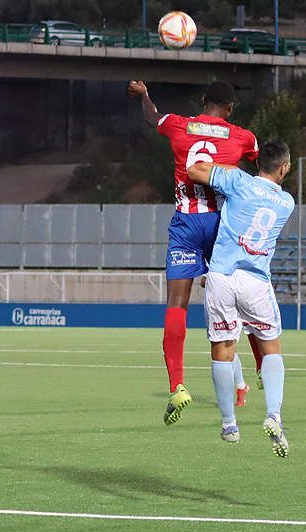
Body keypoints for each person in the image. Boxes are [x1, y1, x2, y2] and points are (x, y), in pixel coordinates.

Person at [128, 79, 261, 423]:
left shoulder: (178, 124)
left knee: (177, 307)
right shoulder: (242, 136)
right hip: (222, 226)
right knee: (240, 300)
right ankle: (263, 366)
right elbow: (259, 162)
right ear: (230, 108)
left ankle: (178, 386)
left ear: (203, 101)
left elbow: (151, 116)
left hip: (187, 225)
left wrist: (144, 95)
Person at [186, 141, 295, 458]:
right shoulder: (287, 203)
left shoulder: (238, 181)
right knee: (271, 346)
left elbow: (195, 171)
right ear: (284, 167)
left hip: (221, 277)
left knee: (222, 349)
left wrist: (226, 166)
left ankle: (229, 423)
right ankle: (273, 413)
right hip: (255, 281)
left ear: (257, 162)